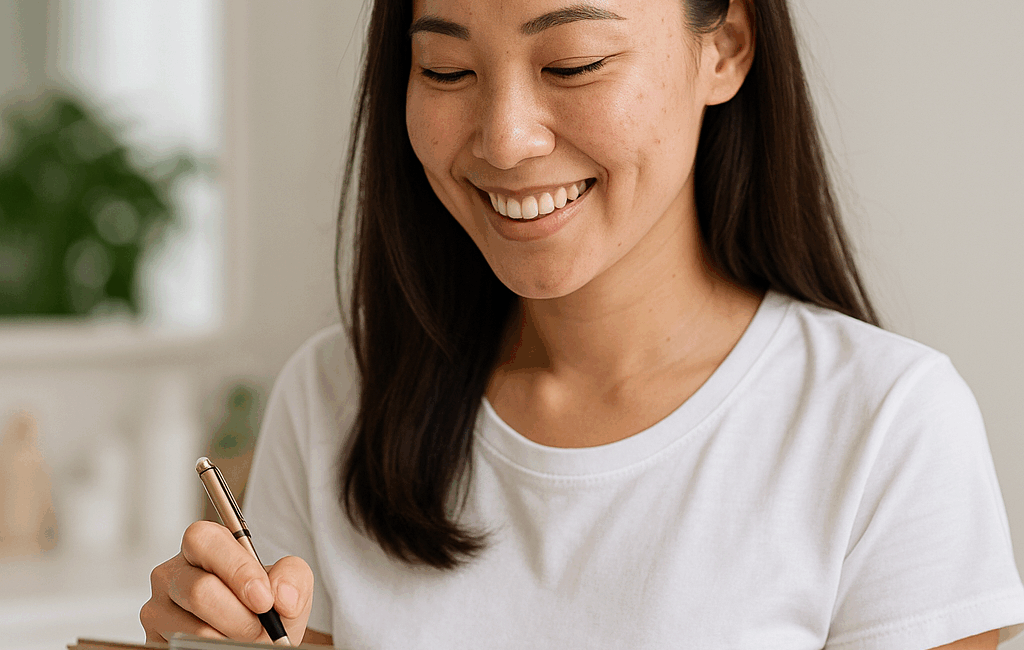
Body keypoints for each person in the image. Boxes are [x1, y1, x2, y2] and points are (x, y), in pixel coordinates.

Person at [141, 0, 1024, 647]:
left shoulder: (887, 423)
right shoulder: (337, 395)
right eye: (446, 71)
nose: (506, 138)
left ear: (725, 48)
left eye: (572, 64)